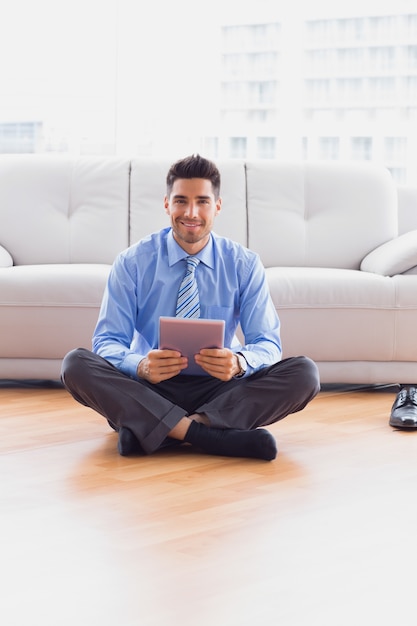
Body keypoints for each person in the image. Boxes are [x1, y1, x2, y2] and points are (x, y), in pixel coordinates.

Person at [61, 154, 320, 461]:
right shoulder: (132, 262)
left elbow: (266, 342)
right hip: (150, 387)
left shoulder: (244, 264)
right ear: (167, 204)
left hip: (221, 389)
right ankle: (208, 436)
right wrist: (141, 365)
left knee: (305, 373)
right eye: (181, 201)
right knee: (75, 364)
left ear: (218, 206)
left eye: (203, 202)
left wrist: (238, 363)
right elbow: (107, 341)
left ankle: (158, 432)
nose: (191, 212)